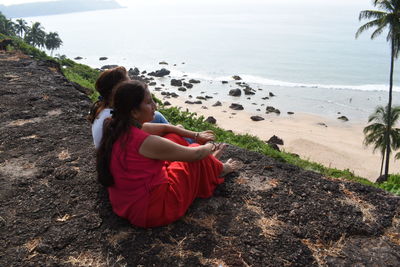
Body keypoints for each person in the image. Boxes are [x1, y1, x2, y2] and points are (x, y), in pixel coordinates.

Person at [96, 80, 241, 228]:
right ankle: (220, 169)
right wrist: (210, 146)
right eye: (148, 102)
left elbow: (166, 128)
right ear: (134, 112)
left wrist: (196, 134)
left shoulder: (118, 125)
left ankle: (210, 164)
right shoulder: (144, 141)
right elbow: (196, 154)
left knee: (174, 138)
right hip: (153, 209)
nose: (154, 106)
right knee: (197, 151)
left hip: (128, 202)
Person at [88, 66, 169, 148]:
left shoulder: (101, 108)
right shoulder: (116, 118)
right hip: (117, 156)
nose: (132, 84)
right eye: (128, 83)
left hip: (106, 155)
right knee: (157, 117)